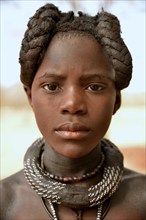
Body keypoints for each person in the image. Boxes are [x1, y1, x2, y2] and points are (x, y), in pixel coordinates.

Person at [0, 3, 145, 220]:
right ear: (30, 96)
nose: (73, 104)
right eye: (52, 86)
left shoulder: (141, 199)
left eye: (94, 87)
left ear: (117, 101)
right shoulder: (5, 204)